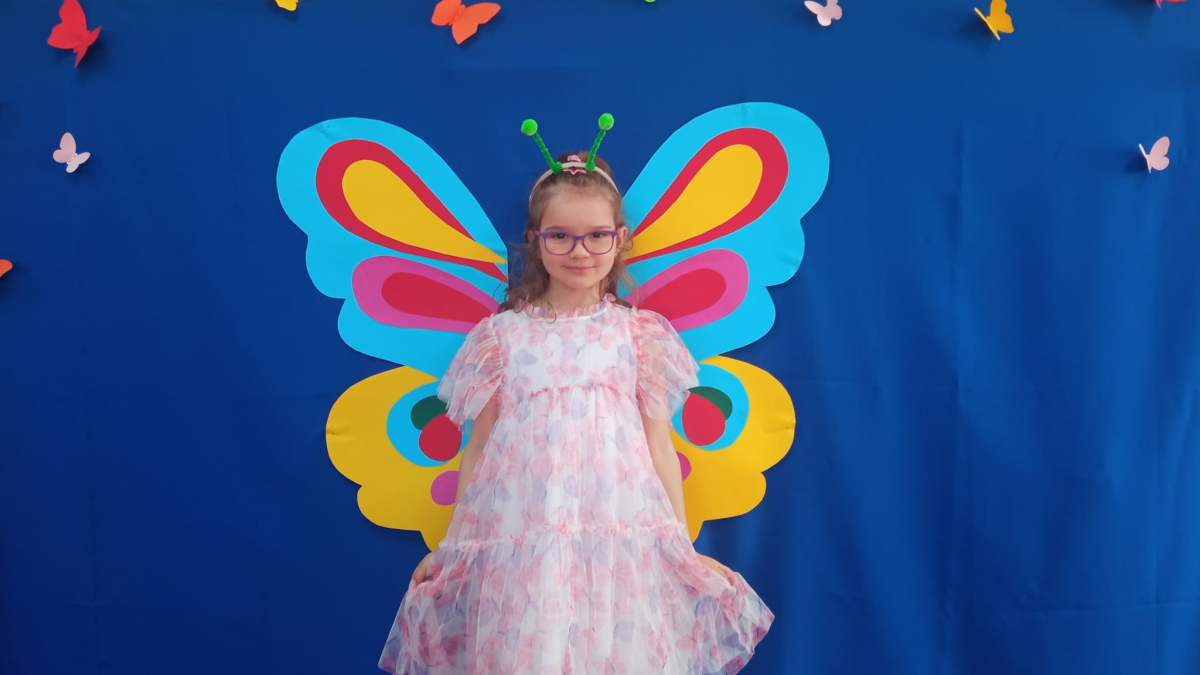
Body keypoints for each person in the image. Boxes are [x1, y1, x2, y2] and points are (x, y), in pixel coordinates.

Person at [379, 119, 772, 674]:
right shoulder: (501, 338)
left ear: (620, 238)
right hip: (525, 541)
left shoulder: (639, 335)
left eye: (596, 236)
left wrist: (680, 549)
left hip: (619, 540)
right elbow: (480, 447)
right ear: (536, 240)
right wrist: (453, 546)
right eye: (560, 236)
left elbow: (659, 446)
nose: (579, 251)